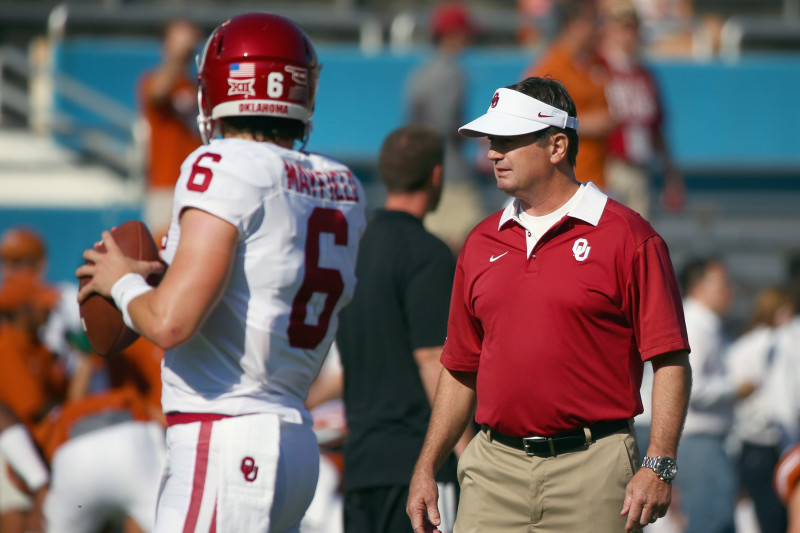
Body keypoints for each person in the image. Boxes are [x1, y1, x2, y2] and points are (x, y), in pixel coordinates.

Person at [77, 12, 366, 533]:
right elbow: (259, 277)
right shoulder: (342, 183)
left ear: (216, 87)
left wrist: (119, 281)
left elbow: (169, 324)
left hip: (227, 436)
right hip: (293, 439)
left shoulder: (221, 165)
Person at [406, 76, 691, 533]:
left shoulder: (629, 236)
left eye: (508, 140)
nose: (492, 153)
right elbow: (460, 366)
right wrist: (426, 466)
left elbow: (671, 358)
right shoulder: (479, 243)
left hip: (594, 470)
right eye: (491, 141)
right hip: (493, 469)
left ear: (557, 146)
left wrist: (659, 464)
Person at [336, 125, 467, 533]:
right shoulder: (427, 253)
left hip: (360, 466)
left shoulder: (352, 249)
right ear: (436, 176)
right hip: (416, 468)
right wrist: (469, 452)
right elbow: (431, 358)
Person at [676, 257, 754, 533]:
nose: (730, 291)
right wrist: (736, 389)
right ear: (697, 287)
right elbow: (689, 386)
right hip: (699, 443)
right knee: (710, 523)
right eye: (723, 284)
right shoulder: (694, 325)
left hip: (709, 442)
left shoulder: (706, 324)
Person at [405, 2, 488, 253]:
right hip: (451, 175)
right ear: (452, 34)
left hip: (426, 169)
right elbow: (446, 126)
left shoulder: (420, 72)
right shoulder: (451, 73)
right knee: (475, 242)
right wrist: (480, 135)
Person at [598, 0, 684, 218]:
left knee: (639, 239)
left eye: (632, 28)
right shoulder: (597, 68)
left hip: (641, 168)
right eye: (621, 28)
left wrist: (671, 175)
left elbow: (657, 128)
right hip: (606, 166)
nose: (628, 35)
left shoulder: (645, 75)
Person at [524, 0, 616, 190]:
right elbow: (532, 118)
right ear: (572, 25)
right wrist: (585, 124)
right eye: (592, 22)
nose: (597, 29)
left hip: (601, 175)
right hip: (568, 180)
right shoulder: (551, 68)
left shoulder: (596, 63)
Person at [0, 271, 66, 533]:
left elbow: (66, 404)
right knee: (16, 511)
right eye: (42, 304)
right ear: (24, 310)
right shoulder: (6, 345)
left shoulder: (41, 349)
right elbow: (34, 411)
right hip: (11, 450)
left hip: (36, 448)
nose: (49, 310)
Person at [727, 286, 792, 533]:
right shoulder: (767, 344)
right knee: (773, 518)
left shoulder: (744, 344)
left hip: (760, 442)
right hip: (764, 441)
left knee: (769, 517)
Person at [138, 19, 203, 237]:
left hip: (196, 183)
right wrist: (178, 56)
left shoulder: (196, 87)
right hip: (166, 186)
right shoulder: (150, 80)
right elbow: (158, 93)